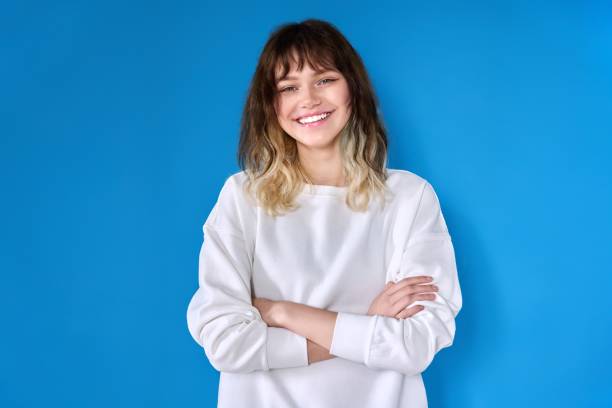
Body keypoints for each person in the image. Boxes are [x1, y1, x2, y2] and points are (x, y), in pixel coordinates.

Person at [186, 18, 462, 408]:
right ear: (271, 105)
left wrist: (281, 312)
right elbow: (226, 344)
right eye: (289, 87)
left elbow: (416, 345)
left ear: (353, 87)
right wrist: (365, 323)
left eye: (324, 80)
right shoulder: (242, 197)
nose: (309, 100)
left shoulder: (409, 197)